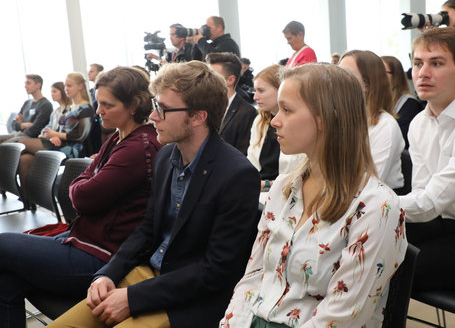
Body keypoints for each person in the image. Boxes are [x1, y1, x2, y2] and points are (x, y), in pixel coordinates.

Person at [48, 61, 260, 328]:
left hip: (190, 296)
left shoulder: (237, 175)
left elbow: (215, 271)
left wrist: (133, 298)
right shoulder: (167, 156)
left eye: (162, 109)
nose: (152, 116)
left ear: (197, 117)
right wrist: (107, 274)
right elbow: (147, 229)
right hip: (148, 275)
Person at [220, 63, 407, 327]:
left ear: (325, 118)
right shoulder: (283, 189)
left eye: (287, 110)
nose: (274, 120)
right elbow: (254, 277)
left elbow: (342, 315)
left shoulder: (375, 206)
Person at [0, 66, 161, 328]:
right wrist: (87, 178)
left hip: (100, 257)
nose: (98, 111)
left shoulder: (138, 147)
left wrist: (86, 179)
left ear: (133, 106)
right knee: (6, 284)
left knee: (3, 244)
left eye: (108, 105)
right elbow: (81, 183)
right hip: (84, 240)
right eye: (99, 103)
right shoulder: (120, 138)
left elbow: (81, 197)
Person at [399, 27, 455, 292]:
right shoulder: (419, 123)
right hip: (438, 224)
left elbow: (429, 203)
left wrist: (366, 203)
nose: (422, 73)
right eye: (418, 63)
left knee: (388, 269)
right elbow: (422, 192)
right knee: (359, 249)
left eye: (436, 63)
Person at [18, 72, 94, 194]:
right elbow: (60, 129)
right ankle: (28, 201)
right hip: (60, 143)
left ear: (80, 86)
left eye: (69, 86)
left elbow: (81, 135)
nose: (66, 89)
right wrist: (54, 136)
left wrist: (56, 135)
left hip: (72, 149)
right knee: (24, 159)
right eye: (65, 86)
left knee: (21, 144)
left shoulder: (86, 108)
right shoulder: (71, 107)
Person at [339, 50, 405, 191]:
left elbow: (371, 183)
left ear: (367, 84)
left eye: (346, 74)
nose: (337, 80)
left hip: (379, 205)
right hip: (347, 197)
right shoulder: (344, 120)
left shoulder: (385, 126)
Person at [248, 65, 304, 194]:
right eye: (255, 90)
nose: (255, 97)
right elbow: (251, 163)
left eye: (261, 90)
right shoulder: (259, 122)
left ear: (281, 90)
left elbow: (299, 174)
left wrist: (266, 185)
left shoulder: (298, 123)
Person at [207, 52, 257, 155]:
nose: (206, 81)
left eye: (213, 76)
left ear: (230, 80)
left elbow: (243, 154)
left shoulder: (247, 113)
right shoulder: (203, 107)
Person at [381, 55, 424, 148]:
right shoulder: (375, 101)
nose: (377, 76)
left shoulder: (410, 104)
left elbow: (402, 139)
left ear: (396, 77)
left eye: (383, 72)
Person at [0, 74, 53, 143]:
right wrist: (26, 124)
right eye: (25, 83)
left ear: (38, 85)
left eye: (28, 83)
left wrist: (21, 125)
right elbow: (13, 124)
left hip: (31, 138)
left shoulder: (46, 105)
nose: (25, 86)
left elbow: (35, 130)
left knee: (4, 146)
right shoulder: (27, 103)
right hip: (19, 134)